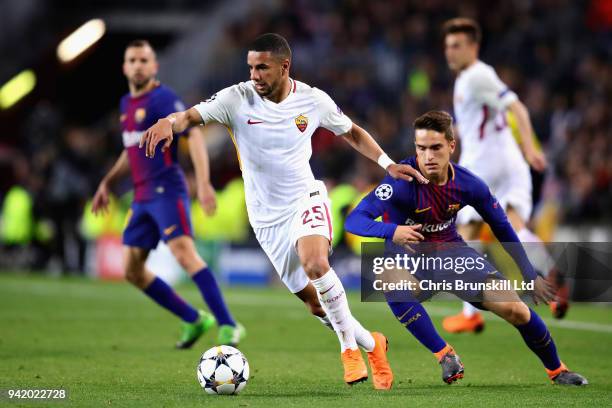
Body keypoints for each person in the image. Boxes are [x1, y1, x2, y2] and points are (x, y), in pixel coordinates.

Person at [139, 33, 427, 389]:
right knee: (316, 305)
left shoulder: (313, 100)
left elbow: (351, 132)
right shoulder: (236, 98)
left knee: (316, 263)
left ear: (284, 66)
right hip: (265, 218)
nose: (254, 75)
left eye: (262, 67)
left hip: (305, 198)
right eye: (251, 67)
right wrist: (169, 121)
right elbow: (189, 117)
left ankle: (349, 350)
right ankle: (373, 342)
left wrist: (387, 163)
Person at [345, 110, 587, 386]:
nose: (427, 156)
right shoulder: (401, 182)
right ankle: (445, 355)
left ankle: (557, 370)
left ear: (451, 146)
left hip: (453, 256)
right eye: (421, 148)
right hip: (409, 262)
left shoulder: (468, 184)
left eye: (435, 148)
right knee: (386, 275)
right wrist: (393, 231)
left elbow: (503, 226)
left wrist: (529, 273)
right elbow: (355, 220)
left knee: (517, 310)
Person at [91, 40, 244, 349]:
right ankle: (194, 318)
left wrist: (203, 183)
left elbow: (195, 135)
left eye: (143, 60)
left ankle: (229, 324)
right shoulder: (125, 104)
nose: (137, 65)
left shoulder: (163, 99)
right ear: (124, 67)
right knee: (132, 270)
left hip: (166, 190)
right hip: (141, 195)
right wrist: (107, 182)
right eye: (132, 60)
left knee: (184, 254)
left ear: (154, 66)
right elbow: (130, 150)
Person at [441, 18, 567, 333]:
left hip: (484, 163)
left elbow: (519, 109)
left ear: (474, 47)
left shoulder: (475, 76)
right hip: (506, 161)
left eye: (457, 46)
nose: (450, 52)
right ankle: (552, 281)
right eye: (447, 46)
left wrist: (531, 147)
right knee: (514, 225)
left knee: (466, 232)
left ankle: (471, 313)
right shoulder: (473, 78)